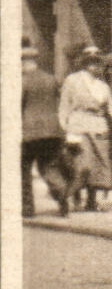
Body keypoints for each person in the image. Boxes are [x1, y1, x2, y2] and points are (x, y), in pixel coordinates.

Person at [58, 44, 112, 212]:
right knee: (83, 166)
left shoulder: (103, 86)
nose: (94, 66)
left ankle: (91, 201)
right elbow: (64, 106)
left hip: (99, 129)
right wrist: (63, 128)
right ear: (84, 63)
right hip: (79, 128)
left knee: (99, 167)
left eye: (97, 62)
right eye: (90, 62)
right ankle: (66, 196)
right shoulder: (72, 81)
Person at [20, 39, 69, 218]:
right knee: (49, 167)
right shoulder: (51, 79)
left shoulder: (22, 81)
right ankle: (61, 193)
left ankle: (27, 208)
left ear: (23, 62)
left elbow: (17, 106)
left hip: (29, 133)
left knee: (24, 170)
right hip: (53, 132)